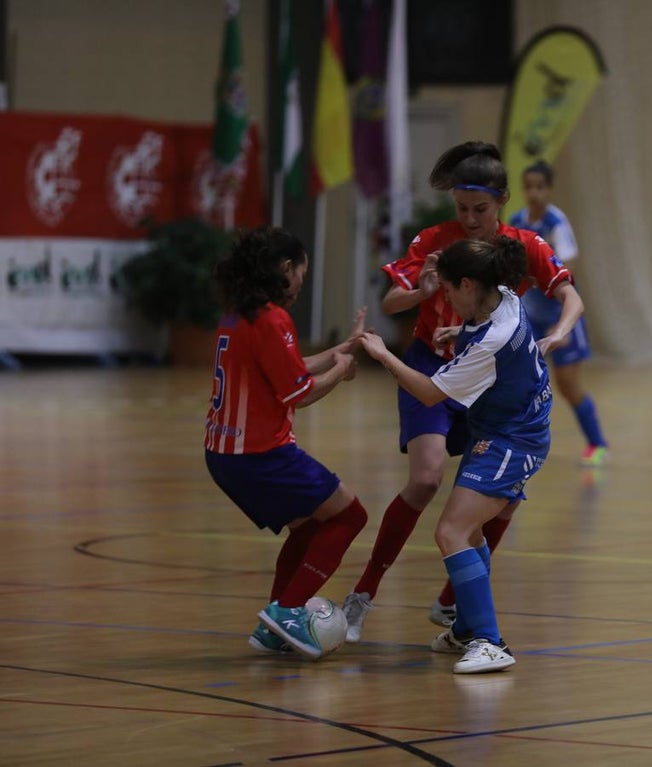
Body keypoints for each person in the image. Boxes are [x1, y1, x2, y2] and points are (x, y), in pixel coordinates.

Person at [343, 141, 584, 641]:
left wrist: (560, 332)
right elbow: (391, 301)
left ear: (501, 202)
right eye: (461, 209)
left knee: (501, 500)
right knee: (427, 478)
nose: (470, 219)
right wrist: (424, 292)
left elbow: (570, 295)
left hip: (488, 384)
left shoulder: (523, 246)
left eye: (480, 209)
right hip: (432, 369)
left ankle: (456, 606)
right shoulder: (436, 240)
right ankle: (362, 594)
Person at [360, 236, 553, 673]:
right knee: (471, 532)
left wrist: (383, 355)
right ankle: (467, 628)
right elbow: (483, 337)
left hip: (513, 439)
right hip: (504, 428)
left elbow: (429, 392)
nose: (443, 298)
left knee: (450, 532)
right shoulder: (503, 296)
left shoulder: (491, 342)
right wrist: (458, 332)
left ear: (467, 285)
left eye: (447, 290)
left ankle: (490, 641)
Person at [204, 226, 369, 660]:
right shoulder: (272, 318)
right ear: (285, 268)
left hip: (225, 456)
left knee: (313, 523)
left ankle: (275, 626)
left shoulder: (241, 313)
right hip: (261, 455)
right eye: (301, 272)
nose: (301, 283)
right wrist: (342, 371)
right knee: (351, 515)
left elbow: (286, 367)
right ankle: (290, 609)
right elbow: (300, 392)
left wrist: (339, 349)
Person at [508, 161, 609, 466]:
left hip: (559, 316)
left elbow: (568, 266)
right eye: (528, 187)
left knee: (567, 384)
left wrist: (543, 271)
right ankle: (515, 442)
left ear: (549, 189)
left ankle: (597, 442)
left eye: (539, 187)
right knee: (519, 382)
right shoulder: (516, 221)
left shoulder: (556, 222)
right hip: (529, 316)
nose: (534, 193)